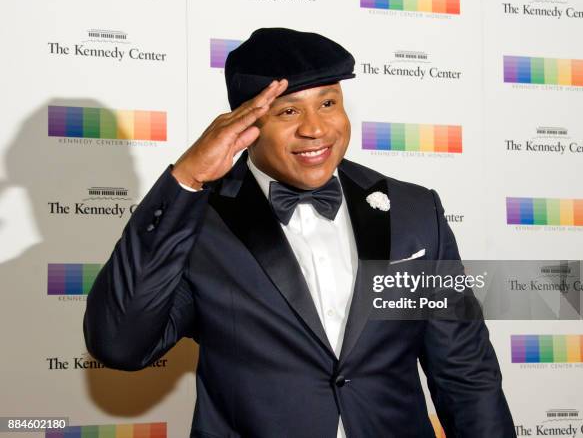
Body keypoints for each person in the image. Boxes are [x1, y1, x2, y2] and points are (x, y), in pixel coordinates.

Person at [84, 27, 516, 438]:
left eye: (328, 103)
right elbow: (120, 344)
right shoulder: (199, 222)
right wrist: (186, 180)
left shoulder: (415, 211)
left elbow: (465, 372)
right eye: (288, 111)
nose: (315, 128)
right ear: (244, 126)